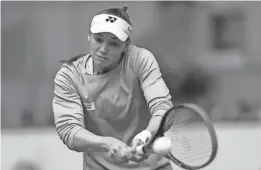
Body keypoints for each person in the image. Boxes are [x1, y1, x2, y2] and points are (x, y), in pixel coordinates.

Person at [52, 6, 174, 170]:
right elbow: (69, 131)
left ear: (126, 45)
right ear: (89, 36)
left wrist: (146, 135)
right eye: (99, 39)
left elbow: (163, 109)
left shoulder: (140, 60)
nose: (103, 49)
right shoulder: (69, 75)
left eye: (114, 43)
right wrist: (106, 143)